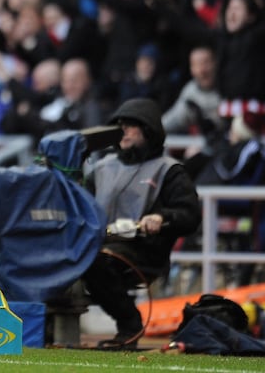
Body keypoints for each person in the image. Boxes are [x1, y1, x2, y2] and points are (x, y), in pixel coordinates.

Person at [81, 97, 201, 350]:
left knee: (94, 261)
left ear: (149, 130)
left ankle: (130, 324)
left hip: (144, 250)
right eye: (118, 125)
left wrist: (163, 219)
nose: (121, 131)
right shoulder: (100, 168)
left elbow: (190, 215)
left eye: (130, 125)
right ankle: (46, 325)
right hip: (100, 244)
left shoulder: (169, 170)